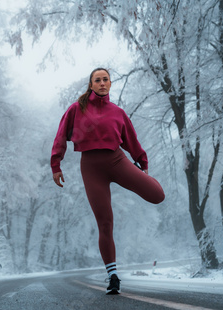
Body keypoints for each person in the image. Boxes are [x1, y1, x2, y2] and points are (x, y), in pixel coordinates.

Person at [50, 68, 165, 294]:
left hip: (117, 161)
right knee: (105, 222)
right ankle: (113, 276)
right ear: (91, 85)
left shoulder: (118, 113)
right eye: (97, 80)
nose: (102, 83)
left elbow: (132, 140)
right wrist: (56, 164)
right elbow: (60, 136)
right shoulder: (76, 109)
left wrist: (142, 163)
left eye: (105, 79)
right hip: (92, 169)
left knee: (157, 196)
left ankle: (141, 177)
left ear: (110, 84)